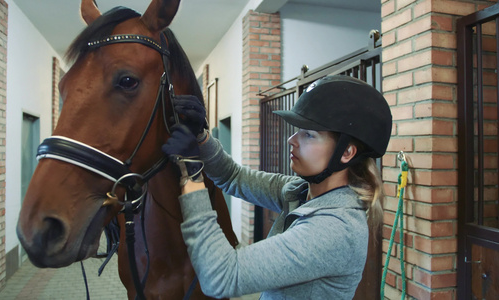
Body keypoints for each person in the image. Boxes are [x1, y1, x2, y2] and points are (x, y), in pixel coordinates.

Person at [162, 75, 392, 299]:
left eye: (309, 135)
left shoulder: (337, 228)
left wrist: (191, 176)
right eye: (298, 130)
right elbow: (234, 177)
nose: (292, 140)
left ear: (346, 152)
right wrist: (201, 136)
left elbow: (220, 275)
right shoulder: (301, 191)